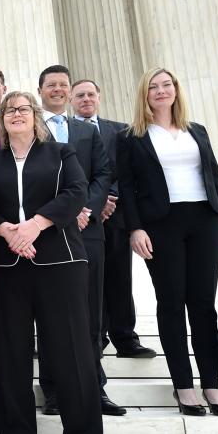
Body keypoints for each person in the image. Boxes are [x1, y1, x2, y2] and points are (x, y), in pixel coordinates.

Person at [0, 90, 103, 434]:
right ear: (1, 120)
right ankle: (16, 431)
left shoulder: (61, 153)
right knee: (10, 349)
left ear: (35, 116)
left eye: (23, 109)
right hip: (7, 263)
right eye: (9, 110)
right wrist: (8, 232)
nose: (16, 114)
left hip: (59, 261)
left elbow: (76, 192)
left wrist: (34, 225)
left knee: (70, 347)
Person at [118, 68, 218, 417]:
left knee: (203, 304)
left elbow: (213, 176)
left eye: (166, 85)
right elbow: (126, 187)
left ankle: (212, 386)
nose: (160, 91)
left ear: (176, 91)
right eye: (153, 87)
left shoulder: (196, 131)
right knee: (171, 303)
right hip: (161, 225)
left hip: (206, 220)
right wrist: (134, 229)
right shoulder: (131, 137)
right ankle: (184, 387)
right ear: (145, 95)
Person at [37, 65, 123, 416]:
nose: (57, 90)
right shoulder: (32, 128)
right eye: (51, 85)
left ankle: (94, 386)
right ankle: (54, 389)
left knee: (91, 313)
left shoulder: (86, 131)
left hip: (87, 233)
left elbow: (103, 172)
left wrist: (87, 207)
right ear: (40, 90)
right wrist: (60, 212)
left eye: (63, 85)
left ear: (69, 92)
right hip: (44, 233)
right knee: (49, 314)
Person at [70, 79, 156, 360]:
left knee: (119, 278)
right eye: (79, 95)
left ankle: (125, 338)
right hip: (83, 218)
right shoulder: (64, 131)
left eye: (90, 94)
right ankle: (97, 337)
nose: (85, 99)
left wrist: (110, 198)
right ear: (72, 100)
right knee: (88, 282)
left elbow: (126, 171)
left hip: (116, 217)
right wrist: (92, 204)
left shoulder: (120, 131)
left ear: (99, 96)